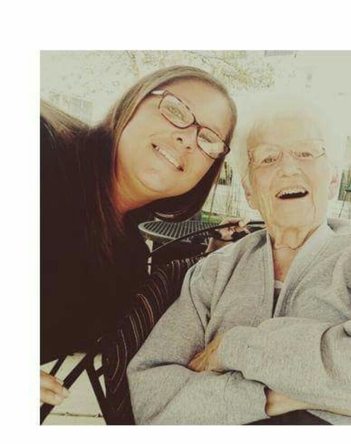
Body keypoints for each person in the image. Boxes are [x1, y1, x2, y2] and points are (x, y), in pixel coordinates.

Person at [128, 97, 351, 425]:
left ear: (332, 179)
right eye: (268, 158)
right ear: (249, 191)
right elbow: (153, 397)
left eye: (306, 153)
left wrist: (231, 348)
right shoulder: (214, 271)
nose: (289, 168)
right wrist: (279, 398)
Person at [41, 65, 237, 407]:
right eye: (176, 110)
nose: (188, 139)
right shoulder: (43, 147)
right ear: (133, 102)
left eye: (208, 139)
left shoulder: (127, 262)